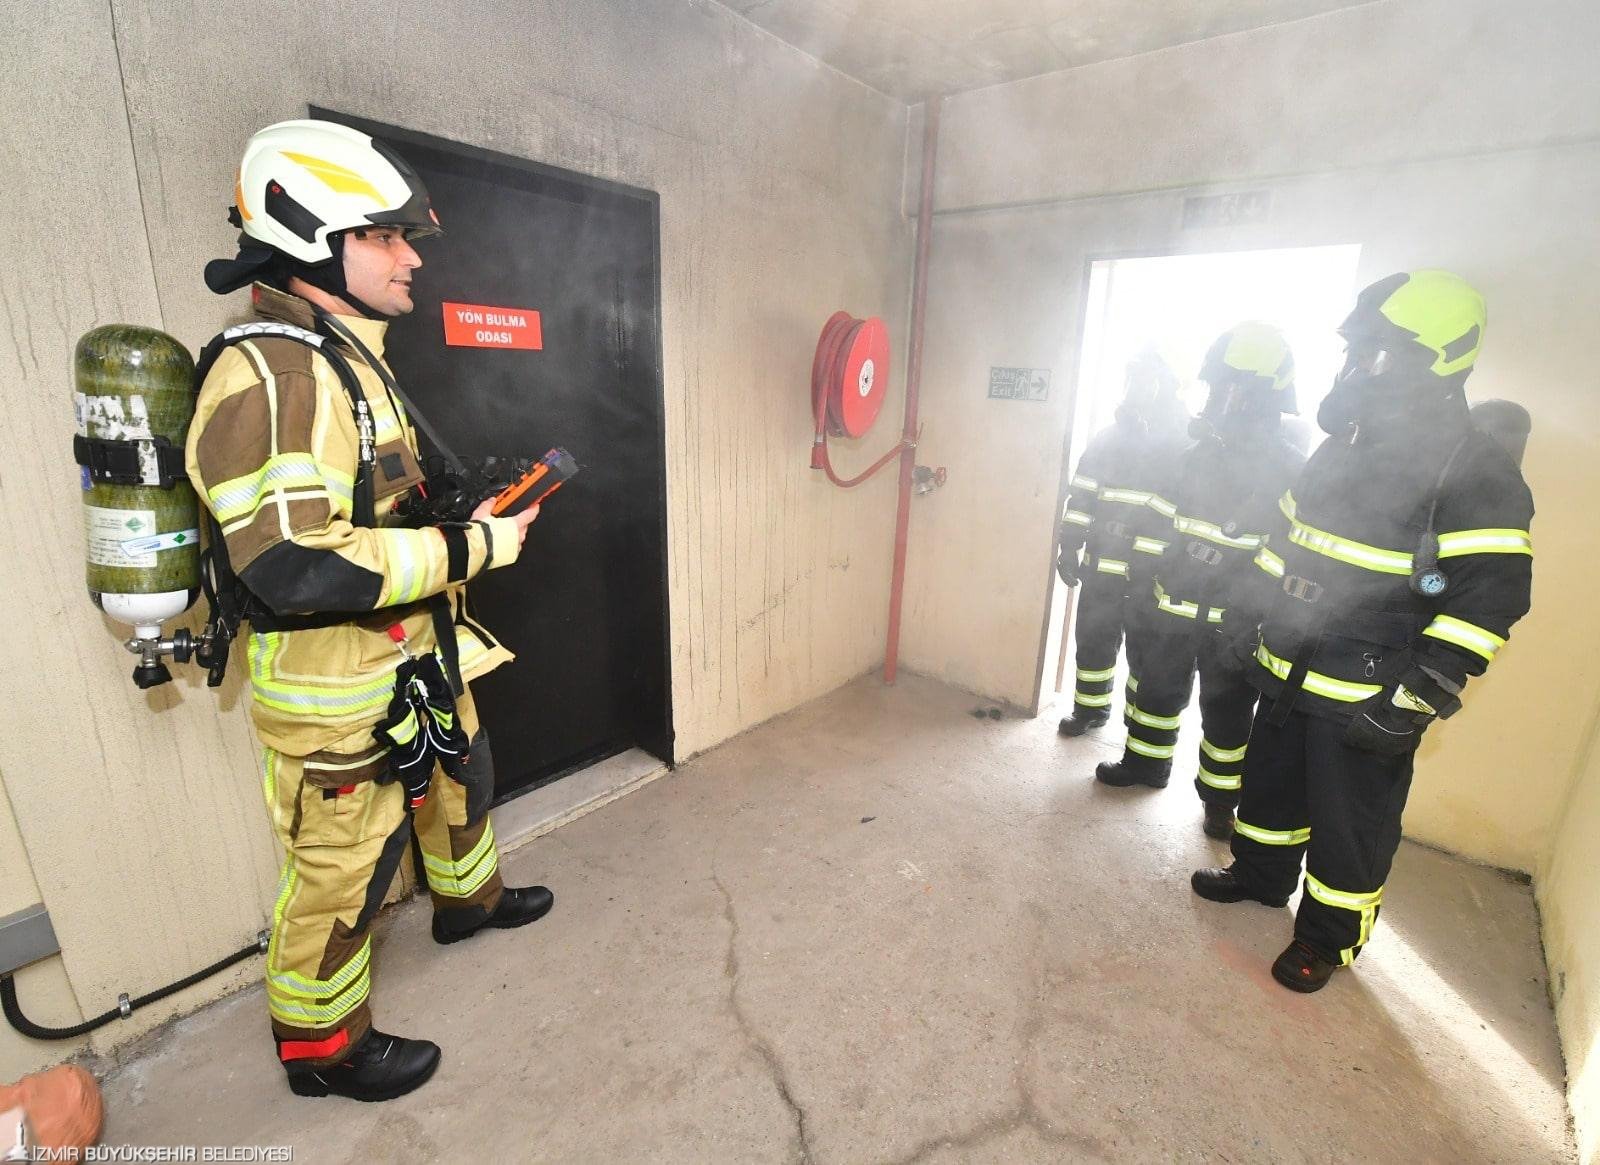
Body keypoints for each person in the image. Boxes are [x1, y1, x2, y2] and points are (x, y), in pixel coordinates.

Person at [186, 120, 554, 1100]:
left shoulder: (342, 353)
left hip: (412, 657)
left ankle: (467, 902)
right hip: (334, 696)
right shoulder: (272, 373)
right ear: (312, 240)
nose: (411, 257)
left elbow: (367, 506)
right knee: (338, 876)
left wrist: (454, 515)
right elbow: (295, 564)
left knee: (461, 774)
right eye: (385, 235)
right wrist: (470, 546)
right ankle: (324, 1050)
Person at [1192, 271, 1533, 993]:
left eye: (1378, 355)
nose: (1357, 370)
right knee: (1270, 789)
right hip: (1286, 666)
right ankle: (1259, 875)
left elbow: (1491, 601)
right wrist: (1243, 611)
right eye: (1357, 354)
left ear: (1435, 360)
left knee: (1352, 827)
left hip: (1368, 693)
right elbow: (1284, 535)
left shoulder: (1476, 471)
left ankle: (1328, 938)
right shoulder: (1343, 444)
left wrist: (1412, 701)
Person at [1094, 324, 1306, 843]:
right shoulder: (1190, 457)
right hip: (1169, 608)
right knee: (1155, 693)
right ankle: (1145, 765)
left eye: (1232, 389)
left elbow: (1290, 554)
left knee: (1228, 720)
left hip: (1232, 625)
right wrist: (1140, 588)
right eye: (1218, 387)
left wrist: (1254, 615)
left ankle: (1218, 804)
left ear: (1262, 396)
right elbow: (1157, 524)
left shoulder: (1291, 470)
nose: (1219, 400)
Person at [1056, 347, 1189, 736]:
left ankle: (1139, 723)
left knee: (1147, 654)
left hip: (1154, 575)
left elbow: (1191, 514)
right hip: (1103, 567)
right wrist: (1068, 544)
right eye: (1130, 380)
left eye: (1143, 380)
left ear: (1164, 385)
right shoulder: (1107, 438)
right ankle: (1090, 710)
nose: (1133, 388)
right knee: (1094, 641)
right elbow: (1081, 495)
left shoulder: (1186, 443)